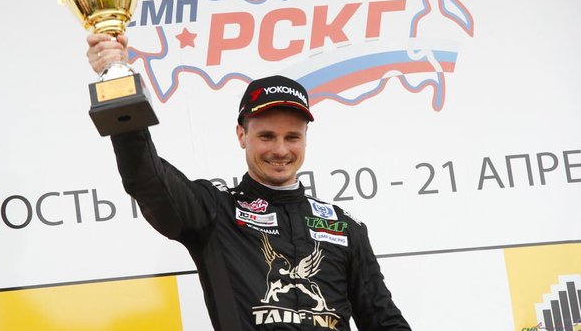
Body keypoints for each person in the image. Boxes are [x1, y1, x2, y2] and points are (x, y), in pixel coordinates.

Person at [87, 33, 412, 331]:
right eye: (267, 136)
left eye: (292, 137)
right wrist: (119, 84)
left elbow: (383, 320)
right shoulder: (215, 210)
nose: (280, 150)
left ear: (305, 139)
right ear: (242, 135)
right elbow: (147, 180)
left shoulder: (343, 228)